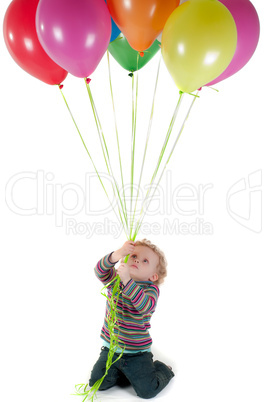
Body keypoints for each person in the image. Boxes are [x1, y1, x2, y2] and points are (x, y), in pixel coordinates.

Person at [89, 239, 174, 399]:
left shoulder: (151, 290)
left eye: (145, 260)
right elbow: (99, 270)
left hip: (137, 354)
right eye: (133, 255)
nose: (136, 260)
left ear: (153, 276)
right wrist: (117, 254)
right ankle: (124, 373)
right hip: (111, 350)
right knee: (97, 383)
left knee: (147, 391)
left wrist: (127, 280)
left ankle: (163, 369)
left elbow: (144, 306)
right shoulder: (115, 281)